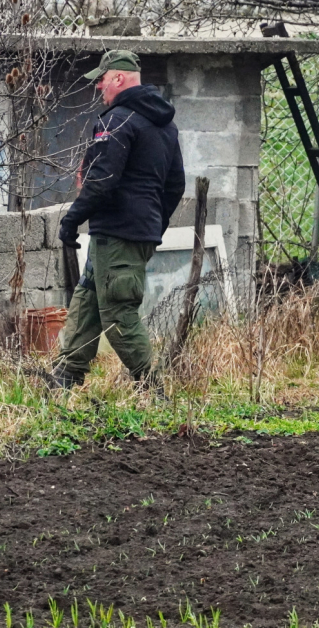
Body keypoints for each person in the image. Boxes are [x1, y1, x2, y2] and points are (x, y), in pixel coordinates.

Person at [52, 50, 185, 391]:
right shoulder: (165, 125)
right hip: (135, 232)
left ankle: (152, 390)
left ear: (118, 78)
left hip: (116, 231)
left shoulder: (117, 121)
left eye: (102, 80)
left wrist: (72, 220)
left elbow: (101, 180)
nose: (99, 87)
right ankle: (65, 378)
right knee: (88, 300)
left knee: (118, 314)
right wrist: (154, 225)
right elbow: (175, 185)